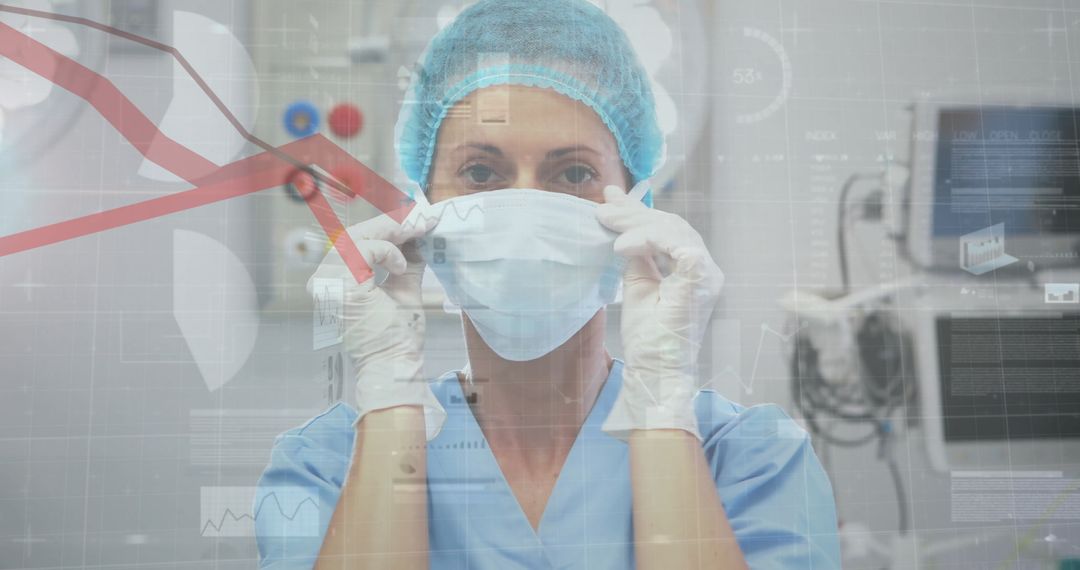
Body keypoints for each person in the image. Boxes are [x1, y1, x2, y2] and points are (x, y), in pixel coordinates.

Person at [255, 1, 839, 568]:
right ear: (422, 210)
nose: (528, 204)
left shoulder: (753, 459)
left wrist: (662, 400)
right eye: (481, 172)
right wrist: (388, 392)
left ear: (636, 204)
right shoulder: (324, 467)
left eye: (574, 173)